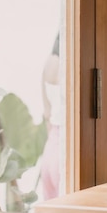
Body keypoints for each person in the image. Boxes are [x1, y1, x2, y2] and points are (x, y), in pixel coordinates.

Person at [40, 33, 61, 200]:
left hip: (51, 150)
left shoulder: (49, 65)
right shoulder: (73, 62)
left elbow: (47, 115)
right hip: (67, 153)